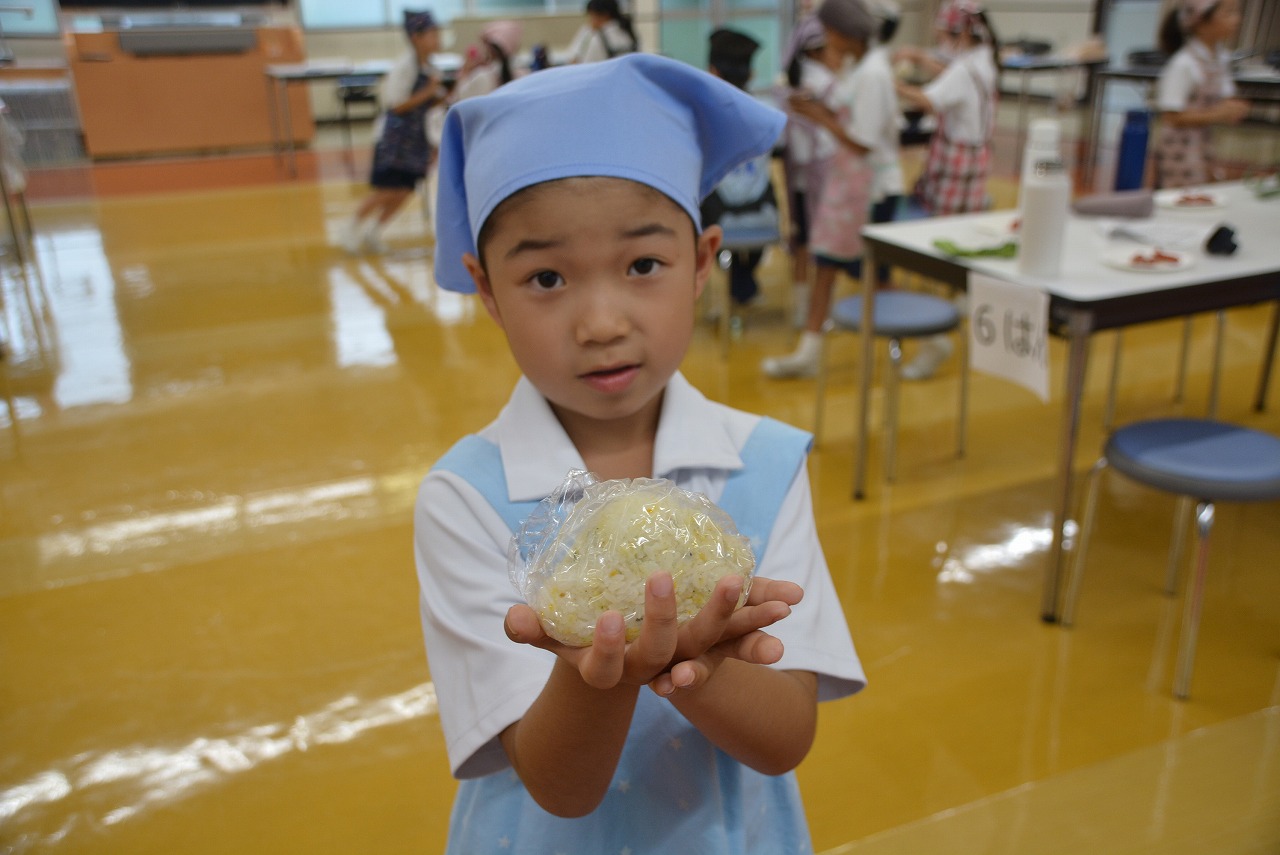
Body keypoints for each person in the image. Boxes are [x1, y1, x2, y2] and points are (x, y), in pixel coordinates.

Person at [416, 54, 864, 853]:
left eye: (643, 264)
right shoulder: (467, 497)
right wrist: (606, 671)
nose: (601, 322)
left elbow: (785, 737)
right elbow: (559, 787)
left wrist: (701, 666)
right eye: (546, 277)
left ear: (702, 261)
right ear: (486, 289)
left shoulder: (763, 465)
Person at [761, 0, 882, 379]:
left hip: (858, 185)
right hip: (841, 184)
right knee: (828, 260)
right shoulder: (849, 75)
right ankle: (809, 344)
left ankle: (932, 339)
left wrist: (819, 116)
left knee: (864, 268)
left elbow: (864, 141)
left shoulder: (868, 74)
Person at [892, 0, 999, 380]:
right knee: (962, 234)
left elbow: (930, 99)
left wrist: (892, 85)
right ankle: (960, 296)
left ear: (962, 32)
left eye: (944, 35)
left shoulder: (965, 69)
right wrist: (920, 58)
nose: (941, 43)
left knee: (939, 240)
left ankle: (935, 324)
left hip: (954, 161)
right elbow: (950, 72)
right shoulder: (983, 59)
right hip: (976, 158)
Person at [341, 10, 448, 255]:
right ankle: (351, 227)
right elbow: (397, 105)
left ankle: (374, 231)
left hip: (417, 138)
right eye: (432, 34)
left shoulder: (431, 68)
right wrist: (428, 92)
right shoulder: (404, 67)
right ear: (416, 38)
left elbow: (429, 104)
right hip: (395, 138)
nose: (437, 38)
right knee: (387, 189)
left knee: (406, 189)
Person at [700, 28, 781, 308]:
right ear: (751, 73)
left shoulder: (703, 115)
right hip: (764, 216)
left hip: (716, 218)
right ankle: (742, 281)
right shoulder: (766, 111)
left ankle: (738, 283)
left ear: (712, 71)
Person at [778, 15, 837, 324]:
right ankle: (820, 311)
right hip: (824, 175)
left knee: (800, 240)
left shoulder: (790, 83)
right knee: (824, 248)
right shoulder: (826, 82)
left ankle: (802, 308)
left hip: (798, 177)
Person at [1154, 0, 1250, 188]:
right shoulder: (1184, 63)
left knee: (1204, 192)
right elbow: (1171, 116)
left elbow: (1225, 95)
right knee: (1182, 195)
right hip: (1180, 149)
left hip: (1204, 142)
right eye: (1229, 13)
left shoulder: (1220, 58)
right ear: (1201, 22)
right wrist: (1218, 114)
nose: (1237, 19)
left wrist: (1233, 108)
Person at [565, 0, 639, 64]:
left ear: (604, 15)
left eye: (591, 16)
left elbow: (581, 63)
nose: (590, 21)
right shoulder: (627, 32)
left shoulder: (596, 36)